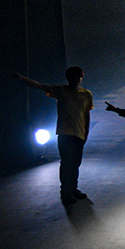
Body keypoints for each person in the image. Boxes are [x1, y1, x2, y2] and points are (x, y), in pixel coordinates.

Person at [14, 67, 93, 204]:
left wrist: (86, 133)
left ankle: (73, 189)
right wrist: (22, 78)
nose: (76, 80)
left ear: (81, 78)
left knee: (75, 164)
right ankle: (65, 192)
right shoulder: (60, 90)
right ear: (68, 78)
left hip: (79, 134)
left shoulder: (86, 94)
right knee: (67, 163)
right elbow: (40, 86)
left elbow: (86, 114)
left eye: (78, 77)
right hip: (65, 133)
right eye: (73, 77)